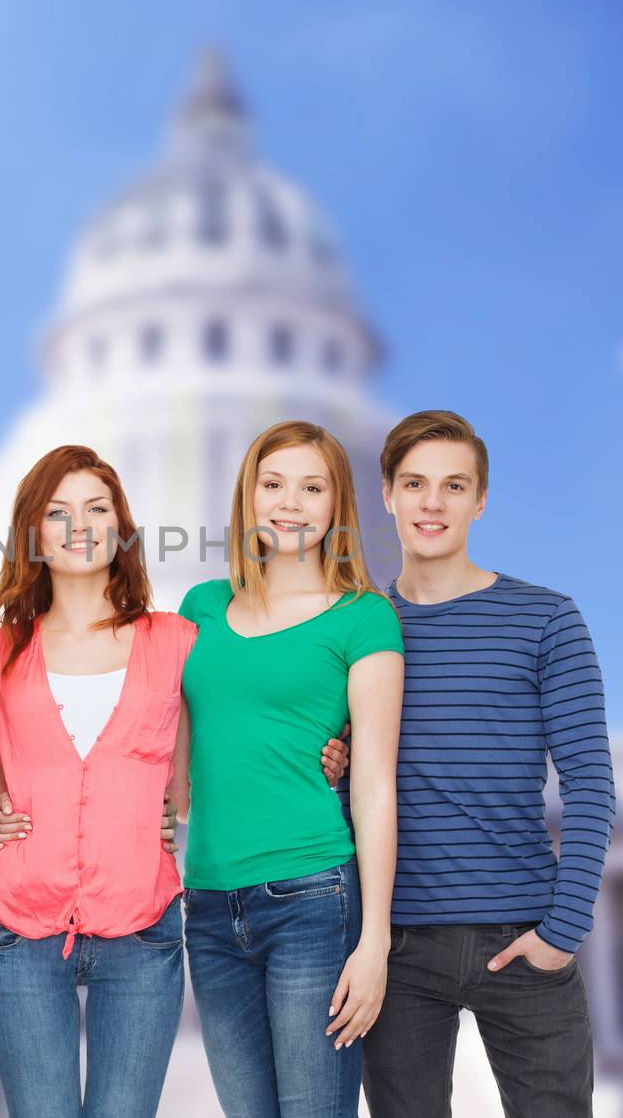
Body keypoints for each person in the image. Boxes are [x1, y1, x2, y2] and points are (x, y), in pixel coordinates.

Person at [0, 444, 350, 1118]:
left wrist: (332, 743)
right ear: (32, 533)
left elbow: (253, 704)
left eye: (97, 508)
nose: (80, 525)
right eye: (58, 512)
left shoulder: (179, 638)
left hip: (142, 930)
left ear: (123, 527)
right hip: (21, 929)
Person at [359, 410, 616, 1118]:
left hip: (524, 940)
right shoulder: (357, 628)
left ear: (480, 500)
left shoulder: (547, 619)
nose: (432, 503)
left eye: (453, 485)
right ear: (387, 493)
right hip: (398, 950)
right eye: (414, 484)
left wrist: (562, 932)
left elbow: (590, 784)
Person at [176, 419, 404, 1118]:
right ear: (248, 497)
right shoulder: (200, 608)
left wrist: (374, 944)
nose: (290, 503)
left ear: (338, 504)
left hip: (313, 898)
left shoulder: (364, 618)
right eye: (273, 485)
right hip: (210, 907)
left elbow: (372, 785)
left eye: (312, 488)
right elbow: (174, 773)